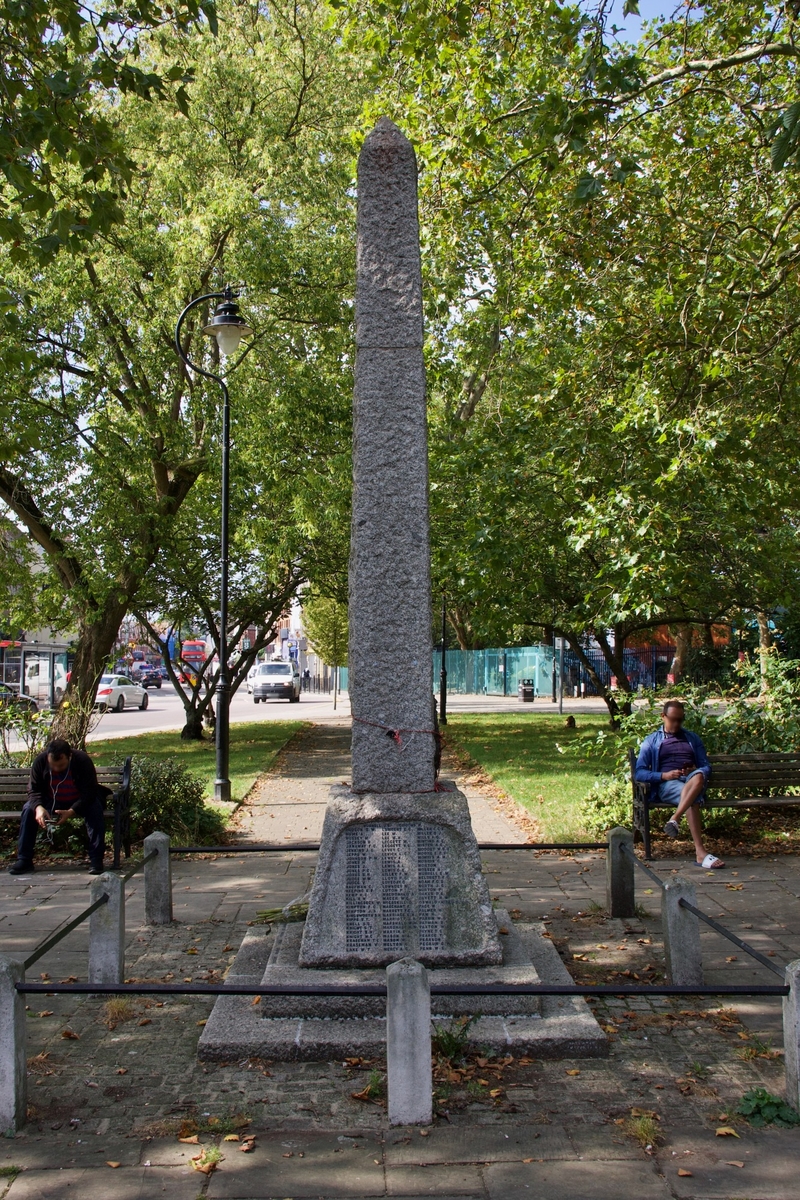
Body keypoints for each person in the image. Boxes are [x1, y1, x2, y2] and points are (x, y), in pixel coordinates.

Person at [635, 700, 725, 869]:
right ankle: (700, 852)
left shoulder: (692, 739)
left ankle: (675, 818)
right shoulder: (652, 741)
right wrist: (663, 775)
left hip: (691, 779)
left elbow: (706, 766)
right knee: (693, 799)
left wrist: (694, 769)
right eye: (673, 719)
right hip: (668, 785)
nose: (677, 724)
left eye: (680, 720)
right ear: (663, 716)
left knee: (698, 777)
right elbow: (639, 772)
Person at [9, 738, 108, 875]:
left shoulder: (82, 760)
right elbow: (33, 789)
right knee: (28, 809)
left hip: (79, 801)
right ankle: (24, 859)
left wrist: (72, 811)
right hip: (51, 801)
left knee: (95, 809)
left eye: (61, 766)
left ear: (70, 757)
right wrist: (38, 807)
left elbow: (89, 792)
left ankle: (96, 859)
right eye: (53, 766)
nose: (56, 769)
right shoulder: (40, 761)